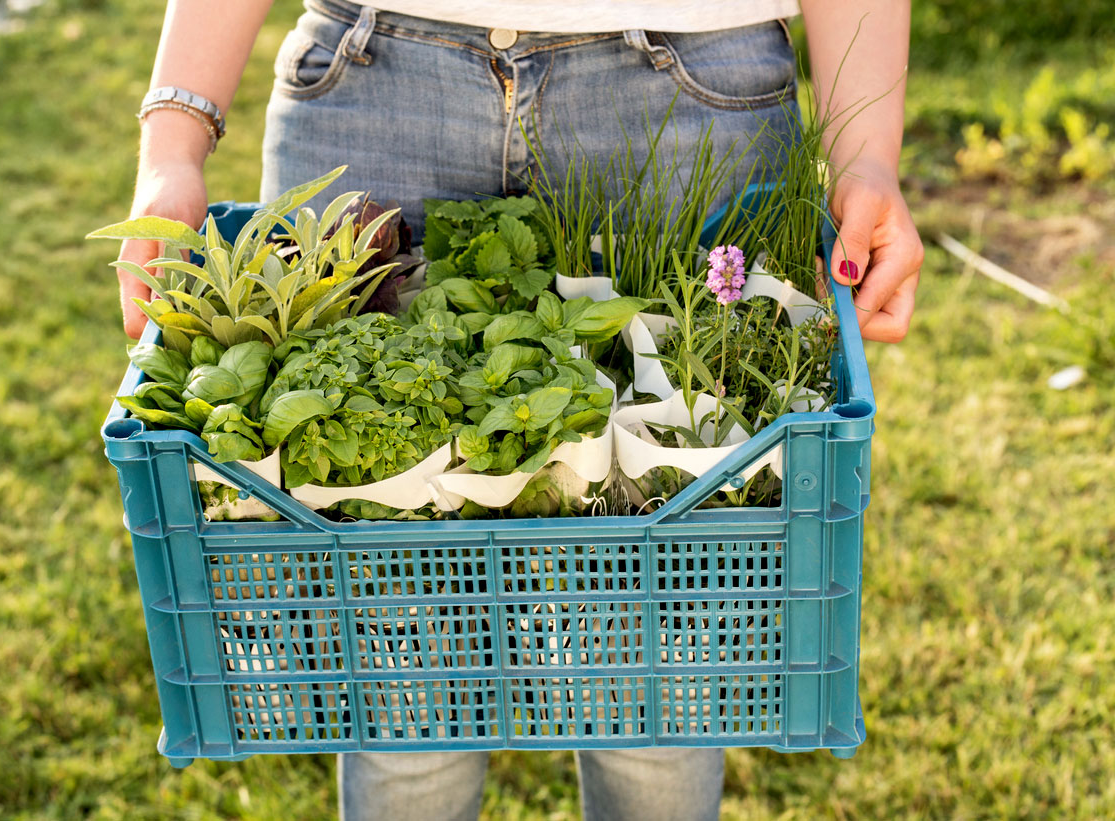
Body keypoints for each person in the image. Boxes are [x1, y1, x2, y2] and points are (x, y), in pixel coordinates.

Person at [114, 2, 921, 818]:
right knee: (398, 676)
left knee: (652, 673)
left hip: (685, 102)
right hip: (373, 91)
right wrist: (174, 139)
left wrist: (869, 160)